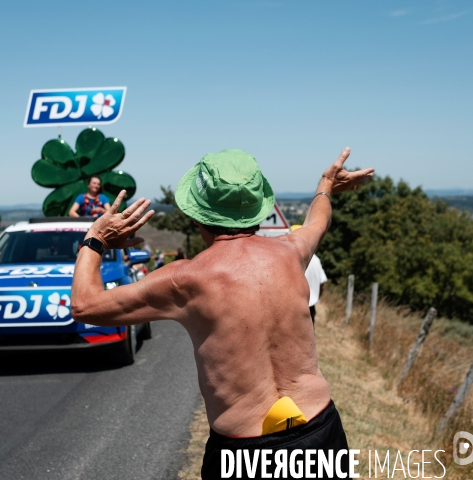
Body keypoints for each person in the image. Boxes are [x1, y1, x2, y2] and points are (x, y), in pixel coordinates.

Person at [71, 148, 373, 479]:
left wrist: (96, 239)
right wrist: (326, 184)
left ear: (198, 216)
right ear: (258, 209)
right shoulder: (292, 251)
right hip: (320, 432)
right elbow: (319, 220)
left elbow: (85, 304)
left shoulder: (185, 279)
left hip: (244, 451)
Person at [291, 225, 328, 325]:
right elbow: (322, 285)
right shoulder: (316, 260)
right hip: (311, 307)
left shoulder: (290, 259)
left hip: (294, 308)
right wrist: (316, 297)